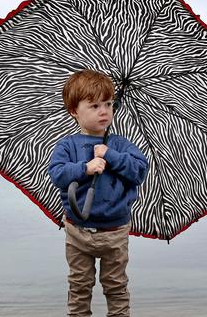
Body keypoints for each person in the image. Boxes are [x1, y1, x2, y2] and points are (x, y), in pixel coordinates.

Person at [48, 69, 148, 317]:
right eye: (94, 105)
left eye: (108, 103)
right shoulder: (67, 145)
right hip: (77, 231)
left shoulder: (121, 145)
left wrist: (110, 156)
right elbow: (57, 174)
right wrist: (85, 168)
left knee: (116, 286)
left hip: (115, 232)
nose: (103, 111)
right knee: (79, 286)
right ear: (74, 111)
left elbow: (139, 172)